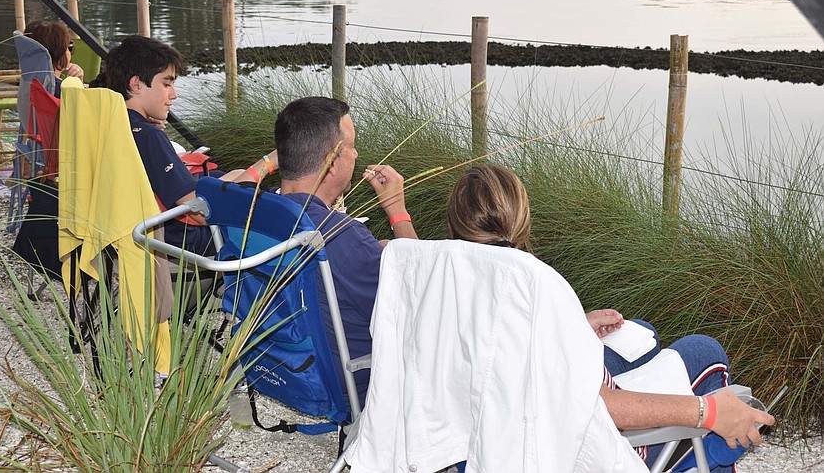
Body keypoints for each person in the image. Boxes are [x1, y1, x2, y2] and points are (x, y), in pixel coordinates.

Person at [446, 163, 774, 471]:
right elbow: (601, 406)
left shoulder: (441, 284)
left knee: (642, 334)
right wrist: (708, 412)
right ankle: (697, 454)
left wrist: (572, 329)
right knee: (706, 352)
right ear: (522, 221)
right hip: (572, 450)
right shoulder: (534, 287)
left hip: (476, 441)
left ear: (455, 226)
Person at [274, 96, 417, 402]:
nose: (356, 153)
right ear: (334, 159)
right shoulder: (339, 235)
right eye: (351, 146)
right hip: (351, 381)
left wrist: (371, 249)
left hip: (283, 366)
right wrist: (397, 212)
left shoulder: (258, 213)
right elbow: (417, 303)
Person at [105, 35, 276, 254]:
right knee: (274, 224)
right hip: (179, 241)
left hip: (126, 230)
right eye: (166, 83)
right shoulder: (148, 136)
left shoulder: (114, 124)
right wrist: (269, 163)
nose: (173, 95)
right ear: (136, 84)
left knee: (236, 173)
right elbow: (202, 212)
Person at [23, 20, 84, 97]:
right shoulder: (60, 91)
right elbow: (82, 107)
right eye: (69, 48)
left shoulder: (29, 82)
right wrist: (78, 85)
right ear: (60, 53)